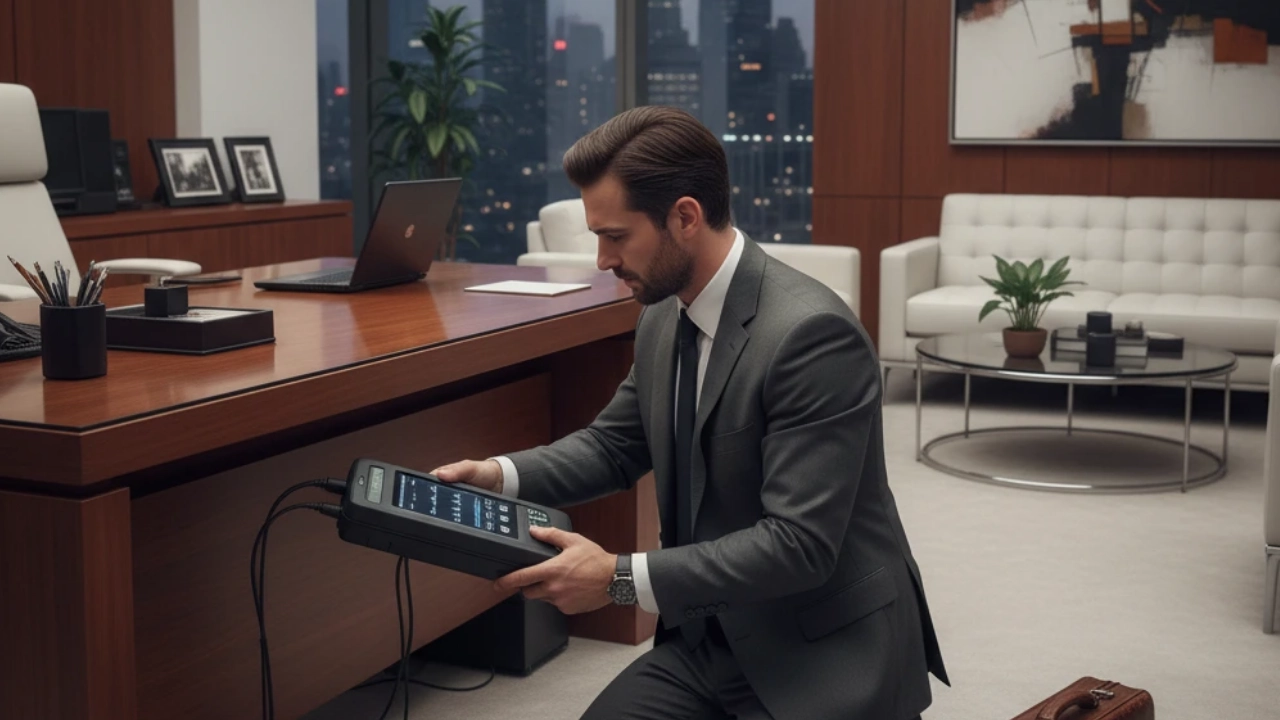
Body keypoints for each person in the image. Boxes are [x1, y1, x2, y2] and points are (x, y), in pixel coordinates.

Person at [433, 105, 947, 720]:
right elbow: (614, 446)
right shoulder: (661, 312)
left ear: (684, 218)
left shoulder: (811, 335)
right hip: (709, 638)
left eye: (615, 236)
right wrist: (496, 475)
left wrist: (618, 577)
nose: (601, 259)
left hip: (823, 653)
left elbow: (798, 545)